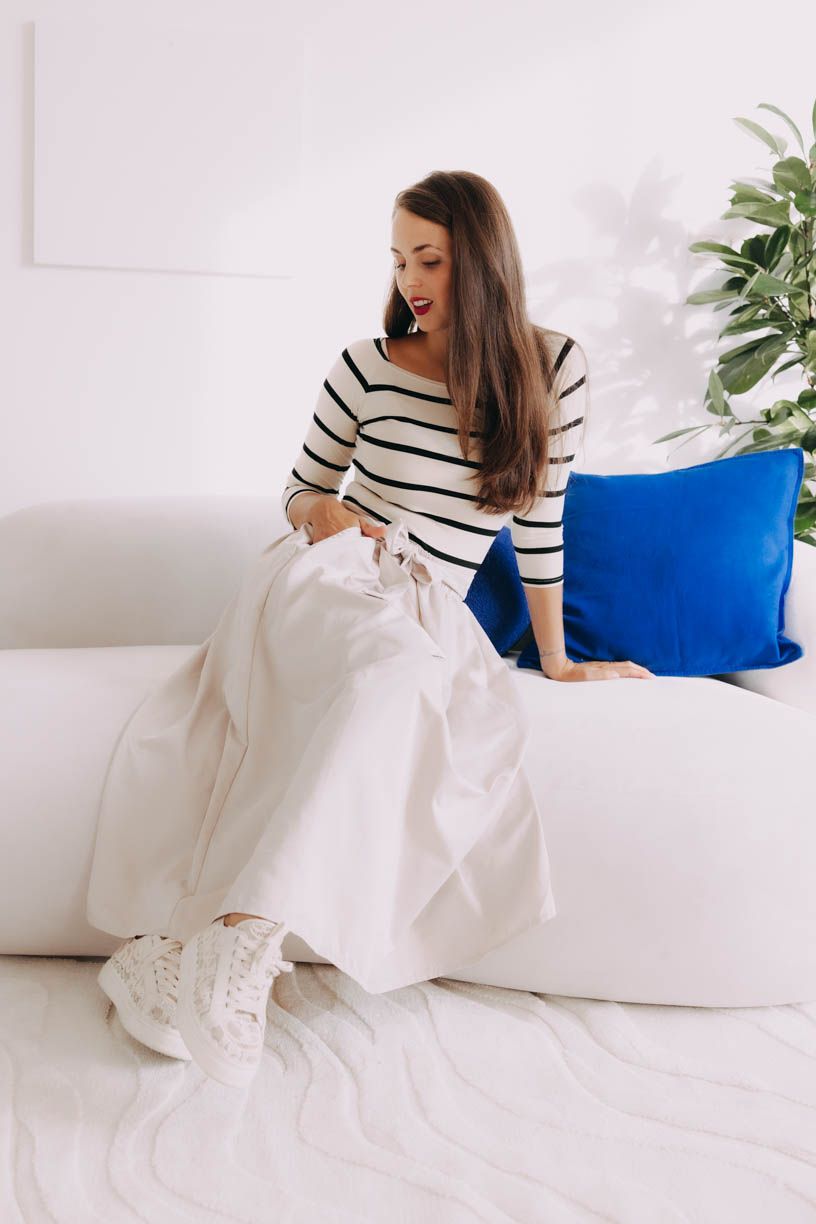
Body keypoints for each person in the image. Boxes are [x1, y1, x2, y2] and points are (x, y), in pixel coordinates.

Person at [87, 170, 654, 1089]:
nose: (410, 281)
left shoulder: (556, 368)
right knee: (397, 677)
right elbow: (299, 488)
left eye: (430, 259)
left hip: (432, 607)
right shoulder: (365, 364)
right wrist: (323, 514)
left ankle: (185, 953)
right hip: (329, 575)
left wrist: (555, 657)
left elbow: (542, 521)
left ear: (483, 260)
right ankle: (245, 945)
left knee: (423, 691)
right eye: (399, 261)